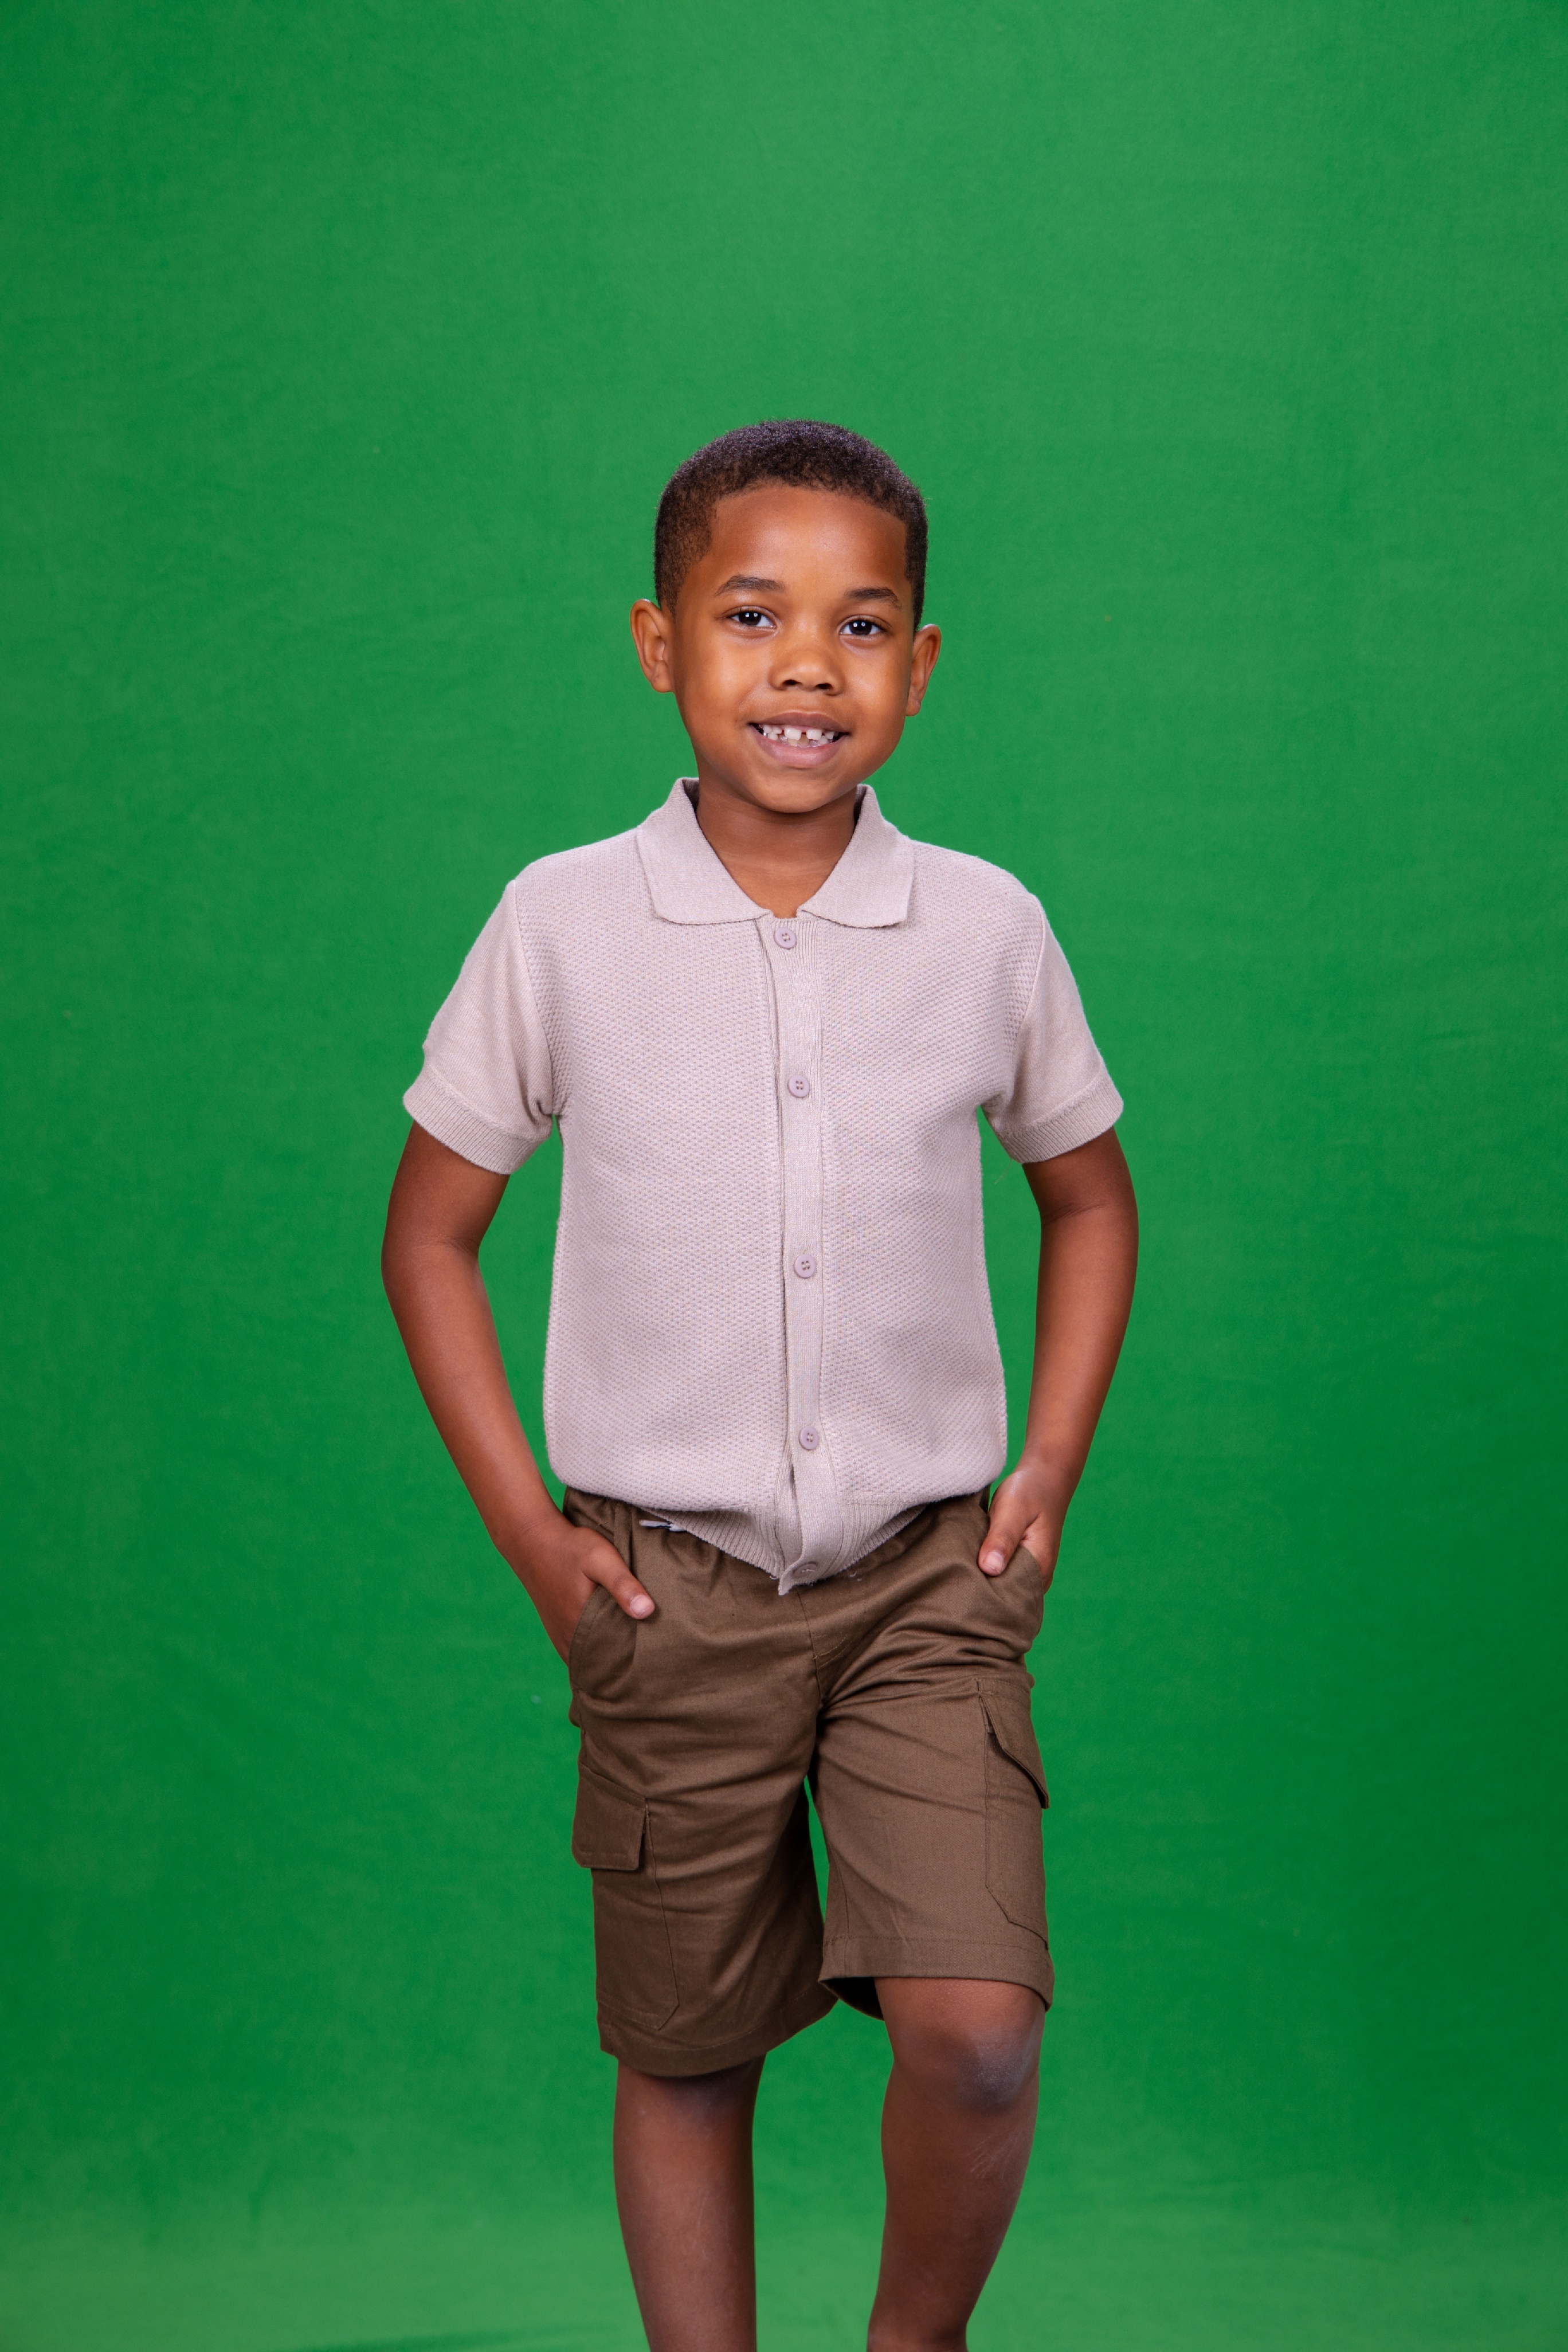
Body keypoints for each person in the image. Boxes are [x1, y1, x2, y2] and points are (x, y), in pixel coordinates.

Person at [382, 419, 1138, 2352]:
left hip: (926, 1586)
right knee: (691, 2051)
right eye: (751, 616)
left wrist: (1049, 1461)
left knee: (978, 2030)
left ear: (920, 663)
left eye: (862, 624)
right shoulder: (562, 923)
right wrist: (535, 1541)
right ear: (661, 645)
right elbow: (430, 1238)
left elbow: (1089, 1199)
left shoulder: (988, 930)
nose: (808, 664)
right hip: (664, 1593)